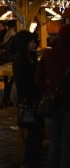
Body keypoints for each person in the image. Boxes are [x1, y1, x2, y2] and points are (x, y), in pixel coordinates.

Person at [35, 23, 70, 168]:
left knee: (54, 142)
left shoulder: (49, 54)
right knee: (67, 144)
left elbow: (38, 79)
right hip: (68, 104)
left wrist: (48, 91)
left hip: (51, 103)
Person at [13, 30, 44, 167]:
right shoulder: (21, 59)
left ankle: (30, 156)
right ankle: (29, 158)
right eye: (31, 42)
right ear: (24, 44)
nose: (34, 44)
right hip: (29, 98)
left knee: (35, 129)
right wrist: (31, 97)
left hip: (31, 97)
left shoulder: (27, 56)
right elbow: (23, 81)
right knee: (36, 130)